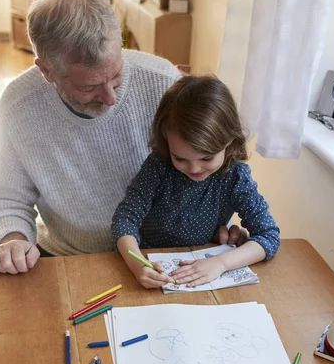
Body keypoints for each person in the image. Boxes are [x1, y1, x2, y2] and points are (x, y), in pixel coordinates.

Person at [0, 0, 247, 275]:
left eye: (117, 74)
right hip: (68, 257)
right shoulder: (18, 105)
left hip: (159, 257)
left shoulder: (163, 82)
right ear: (47, 71)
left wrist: (219, 223)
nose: (110, 98)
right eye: (90, 86)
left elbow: (211, 161)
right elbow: (8, 201)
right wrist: (13, 241)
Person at [112, 75, 280, 289]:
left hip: (204, 271)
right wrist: (138, 265)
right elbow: (125, 218)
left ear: (229, 143)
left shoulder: (235, 175)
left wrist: (220, 263)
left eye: (206, 158)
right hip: (154, 263)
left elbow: (269, 235)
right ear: (167, 143)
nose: (194, 169)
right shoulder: (159, 165)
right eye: (180, 158)